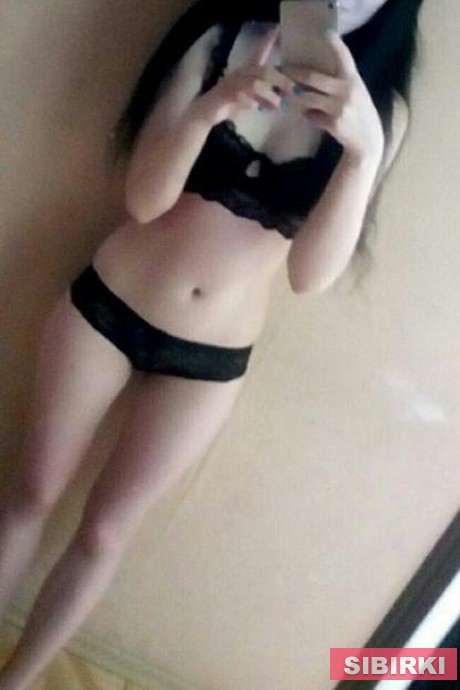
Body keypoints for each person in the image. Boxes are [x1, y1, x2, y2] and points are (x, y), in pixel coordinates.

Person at [0, 0, 424, 687]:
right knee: (32, 490)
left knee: (106, 533)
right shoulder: (223, 36)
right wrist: (212, 108)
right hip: (109, 306)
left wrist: (362, 152)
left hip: (210, 359)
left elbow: (310, 276)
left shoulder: (379, 116)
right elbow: (143, 200)